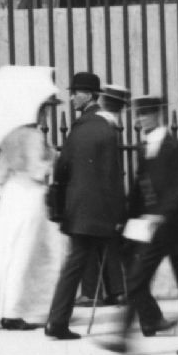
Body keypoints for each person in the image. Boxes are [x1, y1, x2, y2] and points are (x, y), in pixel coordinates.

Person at [100, 94, 178, 355]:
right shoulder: (145, 147)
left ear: (158, 115)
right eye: (138, 115)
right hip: (153, 230)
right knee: (137, 280)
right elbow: (140, 189)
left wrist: (159, 216)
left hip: (177, 229)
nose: (140, 120)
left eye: (145, 114)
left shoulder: (174, 146)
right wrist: (127, 219)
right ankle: (123, 338)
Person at [0, 95, 66, 330]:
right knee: (26, 252)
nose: (46, 115)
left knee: (4, 251)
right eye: (44, 110)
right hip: (29, 196)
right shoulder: (34, 136)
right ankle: (14, 310)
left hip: (11, 195)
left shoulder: (9, 136)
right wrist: (51, 158)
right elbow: (37, 172)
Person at [41, 71, 123, 341]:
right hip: (101, 209)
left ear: (89, 94)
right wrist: (117, 210)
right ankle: (150, 317)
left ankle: (57, 321)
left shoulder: (82, 127)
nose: (72, 96)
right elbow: (113, 173)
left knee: (74, 266)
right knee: (131, 262)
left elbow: (63, 168)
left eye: (76, 92)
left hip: (80, 210)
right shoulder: (106, 126)